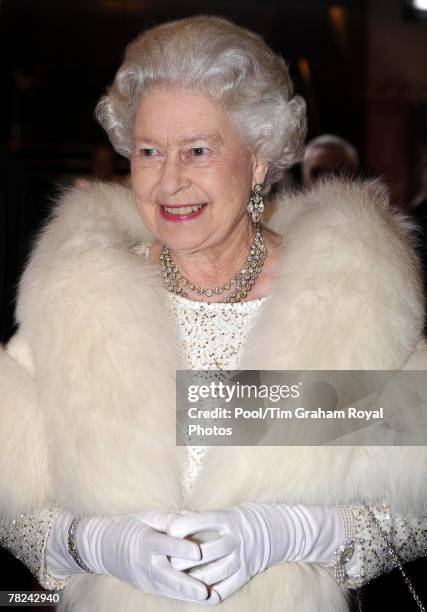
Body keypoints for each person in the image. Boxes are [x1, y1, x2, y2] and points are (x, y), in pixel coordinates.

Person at [0, 16, 426, 612]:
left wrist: (300, 533)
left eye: (198, 150)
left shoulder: (345, 303)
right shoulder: (79, 300)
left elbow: (413, 501)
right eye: (149, 152)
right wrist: (89, 541)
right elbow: (15, 496)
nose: (169, 181)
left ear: (256, 161)